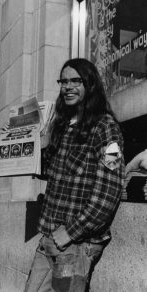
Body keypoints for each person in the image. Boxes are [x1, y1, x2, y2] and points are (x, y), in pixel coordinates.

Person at [24, 58, 125, 292]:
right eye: (63, 81)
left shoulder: (105, 128)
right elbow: (53, 174)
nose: (67, 87)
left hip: (75, 242)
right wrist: (35, 145)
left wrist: (69, 232)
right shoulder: (63, 124)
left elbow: (108, 194)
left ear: (89, 85)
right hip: (49, 235)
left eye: (75, 81)